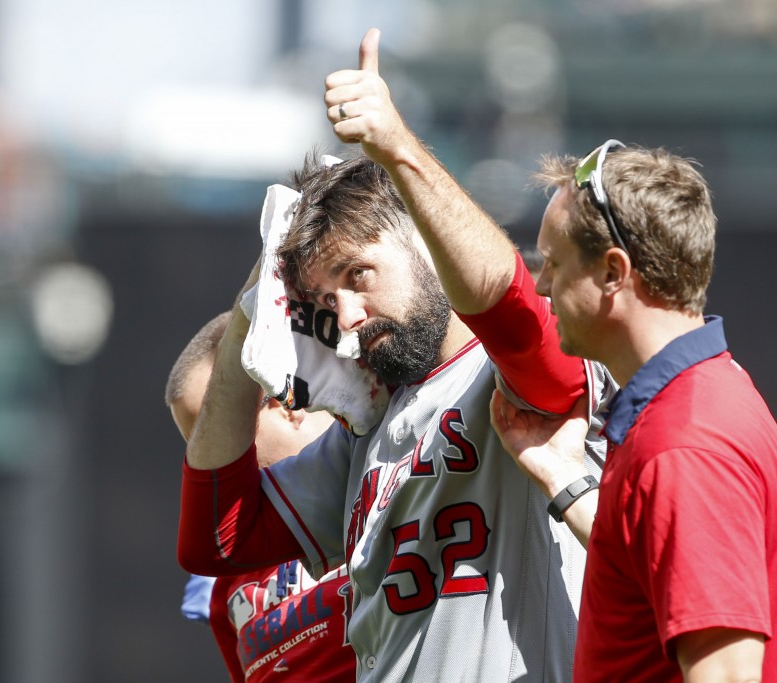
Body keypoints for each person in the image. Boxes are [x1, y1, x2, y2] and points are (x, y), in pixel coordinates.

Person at [178, 29, 612, 682]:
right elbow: (219, 539)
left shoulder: (505, 374)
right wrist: (247, 321)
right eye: (325, 307)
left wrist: (398, 150)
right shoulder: (370, 426)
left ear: (419, 239)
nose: (348, 316)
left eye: (358, 274)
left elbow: (514, 314)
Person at [490, 140, 777, 682]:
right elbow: (655, 568)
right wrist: (566, 479)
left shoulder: (683, 445)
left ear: (614, 272)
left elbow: (728, 675)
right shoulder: (699, 400)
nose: (541, 286)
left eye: (554, 262)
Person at [167, 311, 355, 682]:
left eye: (218, 439)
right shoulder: (226, 576)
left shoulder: (387, 485)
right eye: (197, 449)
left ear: (287, 403)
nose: (211, 467)